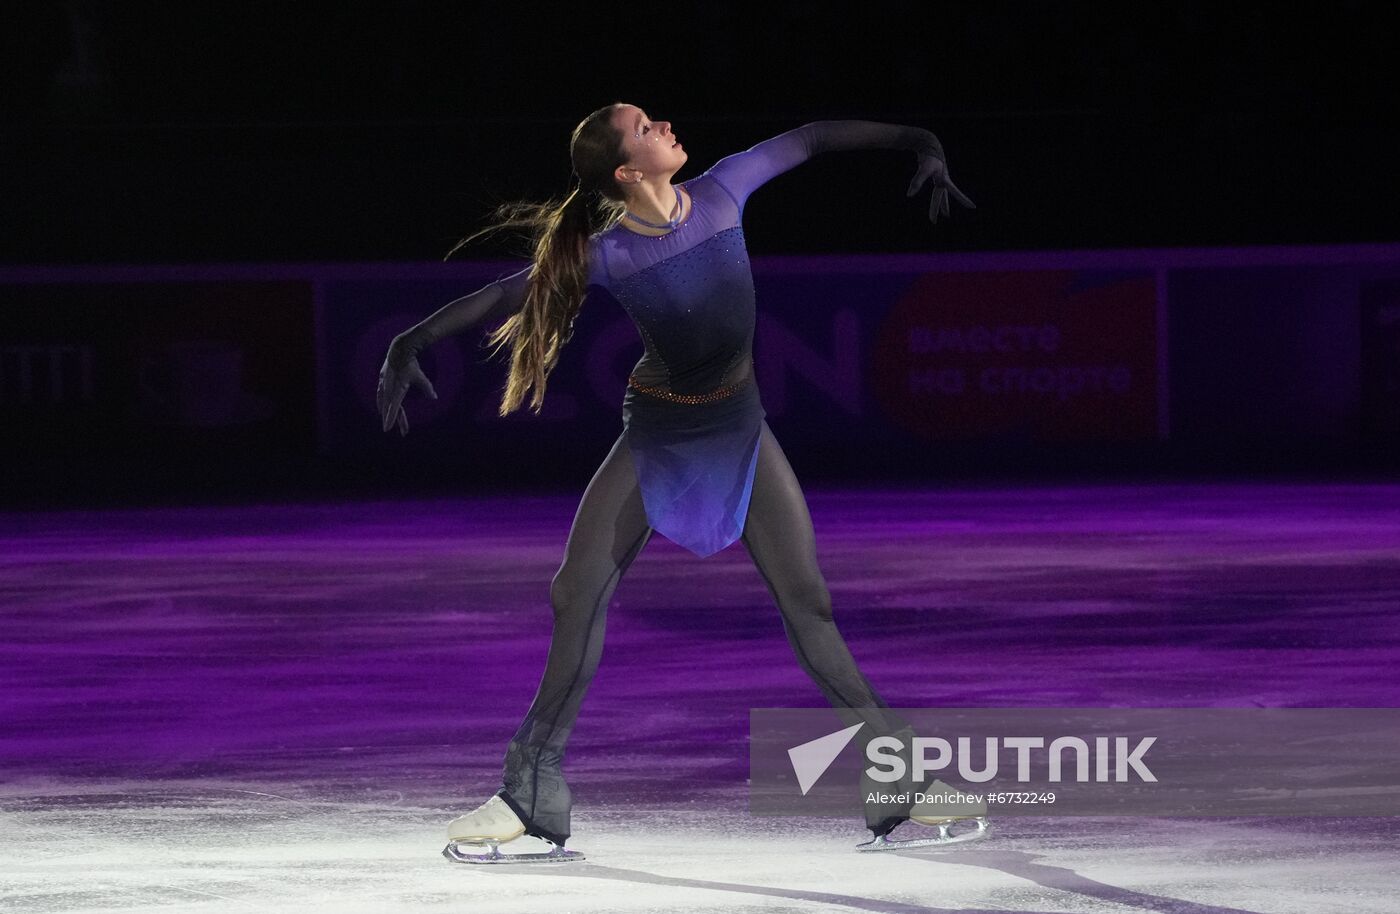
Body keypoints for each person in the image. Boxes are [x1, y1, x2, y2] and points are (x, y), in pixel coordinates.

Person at [376, 102, 978, 864]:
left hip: (740, 428)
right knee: (576, 591)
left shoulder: (726, 190)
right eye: (644, 127)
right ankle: (527, 797)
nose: (663, 125)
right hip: (658, 432)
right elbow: (507, 294)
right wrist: (410, 338)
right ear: (628, 171)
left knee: (810, 604)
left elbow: (813, 138)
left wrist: (920, 138)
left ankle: (904, 785)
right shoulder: (611, 253)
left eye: (654, 117)